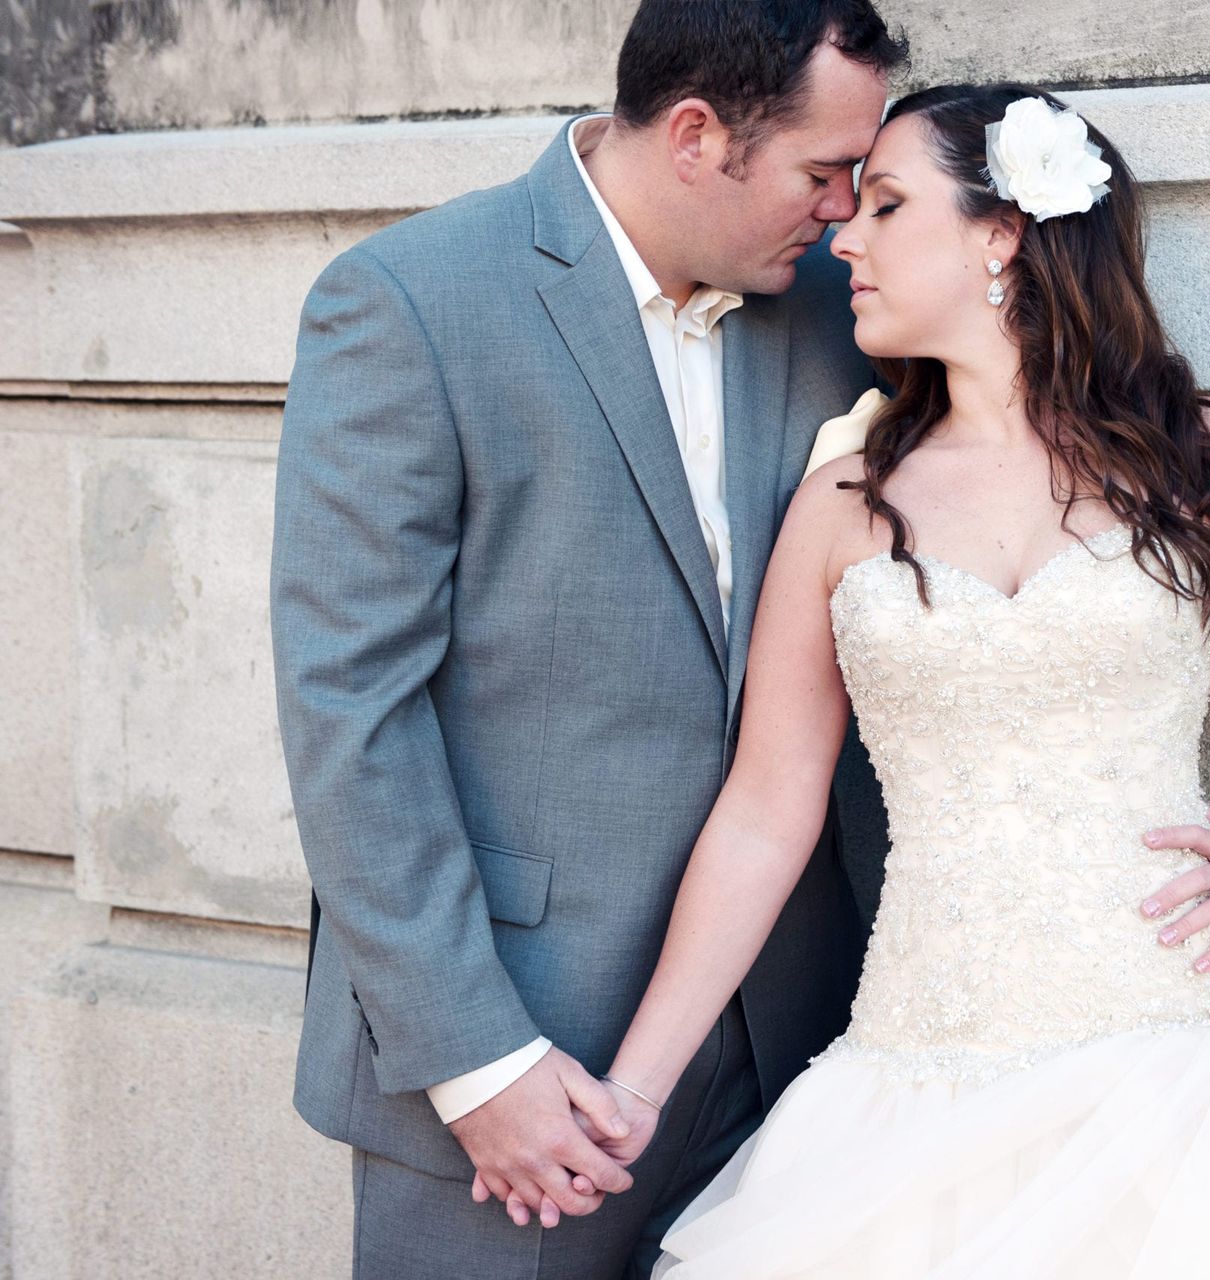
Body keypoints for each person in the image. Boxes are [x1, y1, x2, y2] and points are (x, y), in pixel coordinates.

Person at [472, 81, 1210, 1276]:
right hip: (924, 1067)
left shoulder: (1207, 458)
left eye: (890, 205)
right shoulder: (844, 502)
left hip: (1185, 1054)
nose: (844, 237)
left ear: (1003, 234)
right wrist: (636, 1089)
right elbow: (764, 810)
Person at [268, 3, 908, 1275]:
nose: (843, 210)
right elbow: (350, 709)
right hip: (517, 1058)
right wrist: (473, 1056)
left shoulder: (845, 311)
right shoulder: (409, 303)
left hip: (798, 1042)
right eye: (822, 172)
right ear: (695, 135)